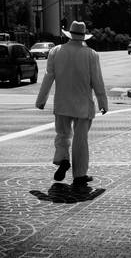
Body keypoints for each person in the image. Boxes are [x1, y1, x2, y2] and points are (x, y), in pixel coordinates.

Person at [35, 21, 108, 185]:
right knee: (80, 140)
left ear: (69, 34)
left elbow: (48, 77)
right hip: (83, 104)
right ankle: (80, 175)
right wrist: (103, 102)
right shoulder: (91, 54)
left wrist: (41, 100)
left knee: (62, 135)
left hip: (62, 103)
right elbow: (97, 81)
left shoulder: (55, 52)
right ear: (83, 36)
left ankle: (62, 160)